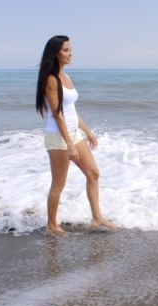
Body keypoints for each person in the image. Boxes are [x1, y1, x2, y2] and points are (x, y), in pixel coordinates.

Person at [36, 35, 118, 233]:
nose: (70, 53)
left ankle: (97, 217)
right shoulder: (50, 80)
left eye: (70, 49)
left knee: (93, 174)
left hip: (74, 133)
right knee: (59, 183)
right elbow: (58, 115)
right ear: (54, 53)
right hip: (58, 137)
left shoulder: (66, 77)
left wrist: (87, 131)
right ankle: (51, 225)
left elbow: (70, 110)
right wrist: (69, 144)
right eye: (65, 50)